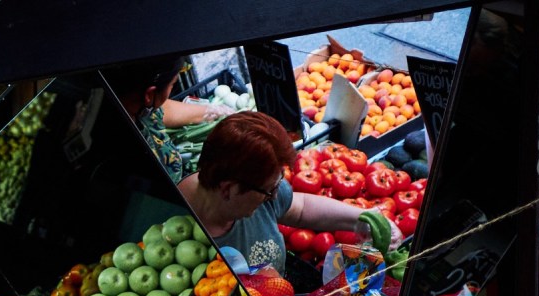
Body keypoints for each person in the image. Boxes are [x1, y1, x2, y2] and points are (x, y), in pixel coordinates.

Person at [179, 110, 368, 275]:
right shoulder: (179, 234)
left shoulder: (257, 186)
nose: (275, 196)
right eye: (270, 190)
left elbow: (300, 208)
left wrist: (363, 218)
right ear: (228, 189)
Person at [108, 55, 234, 182]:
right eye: (173, 84)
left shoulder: (135, 105)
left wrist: (212, 111)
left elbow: (165, 110)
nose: (170, 91)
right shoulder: (133, 155)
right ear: (149, 95)